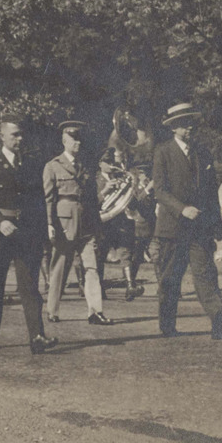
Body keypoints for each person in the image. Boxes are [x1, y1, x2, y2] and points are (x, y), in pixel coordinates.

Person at [151, 103, 222, 340]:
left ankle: (219, 323)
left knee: (207, 275)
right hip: (172, 228)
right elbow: (159, 191)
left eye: (192, 122)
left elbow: (211, 193)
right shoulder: (163, 152)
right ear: (174, 128)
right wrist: (182, 209)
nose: (190, 127)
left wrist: (217, 224)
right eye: (184, 124)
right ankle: (167, 326)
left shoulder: (203, 152)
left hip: (199, 229)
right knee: (170, 280)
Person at [0, 115, 58, 355]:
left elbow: (39, 202)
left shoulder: (31, 165)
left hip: (26, 234)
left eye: (21, 134)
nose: (20, 139)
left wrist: (42, 233)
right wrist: (0, 223)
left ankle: (37, 336)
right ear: (2, 136)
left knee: (30, 287)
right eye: (14, 134)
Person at [43, 121, 112, 326]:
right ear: (64, 141)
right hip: (64, 222)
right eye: (73, 139)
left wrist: (97, 224)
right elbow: (48, 198)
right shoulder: (53, 166)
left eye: (79, 139)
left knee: (91, 268)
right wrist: (49, 223)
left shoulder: (85, 165)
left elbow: (91, 198)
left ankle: (95, 311)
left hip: (86, 222)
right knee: (60, 268)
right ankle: (52, 309)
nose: (77, 143)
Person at [97, 146, 136, 299]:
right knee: (100, 255)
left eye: (112, 161)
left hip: (120, 222)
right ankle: (99, 288)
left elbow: (131, 198)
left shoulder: (121, 177)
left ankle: (130, 286)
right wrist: (105, 190)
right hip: (103, 224)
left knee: (125, 253)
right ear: (100, 163)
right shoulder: (95, 179)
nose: (111, 164)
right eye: (107, 161)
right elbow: (92, 201)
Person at [125, 165, 156, 299]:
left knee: (157, 255)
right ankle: (130, 287)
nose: (144, 175)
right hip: (137, 226)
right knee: (136, 258)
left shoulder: (153, 186)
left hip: (153, 225)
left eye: (146, 172)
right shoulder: (132, 187)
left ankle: (164, 288)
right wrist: (147, 190)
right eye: (142, 172)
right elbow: (132, 204)